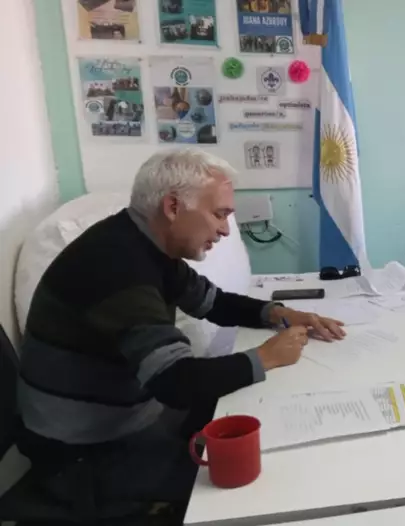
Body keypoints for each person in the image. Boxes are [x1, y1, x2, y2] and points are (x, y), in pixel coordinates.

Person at [15, 149, 346, 516]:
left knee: (250, 422)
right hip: (82, 454)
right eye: (219, 214)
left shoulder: (145, 245)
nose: (225, 230)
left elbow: (214, 303)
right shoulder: (117, 266)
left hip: (125, 419)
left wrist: (278, 313)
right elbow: (175, 382)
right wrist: (267, 356)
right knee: (257, 479)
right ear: (173, 207)